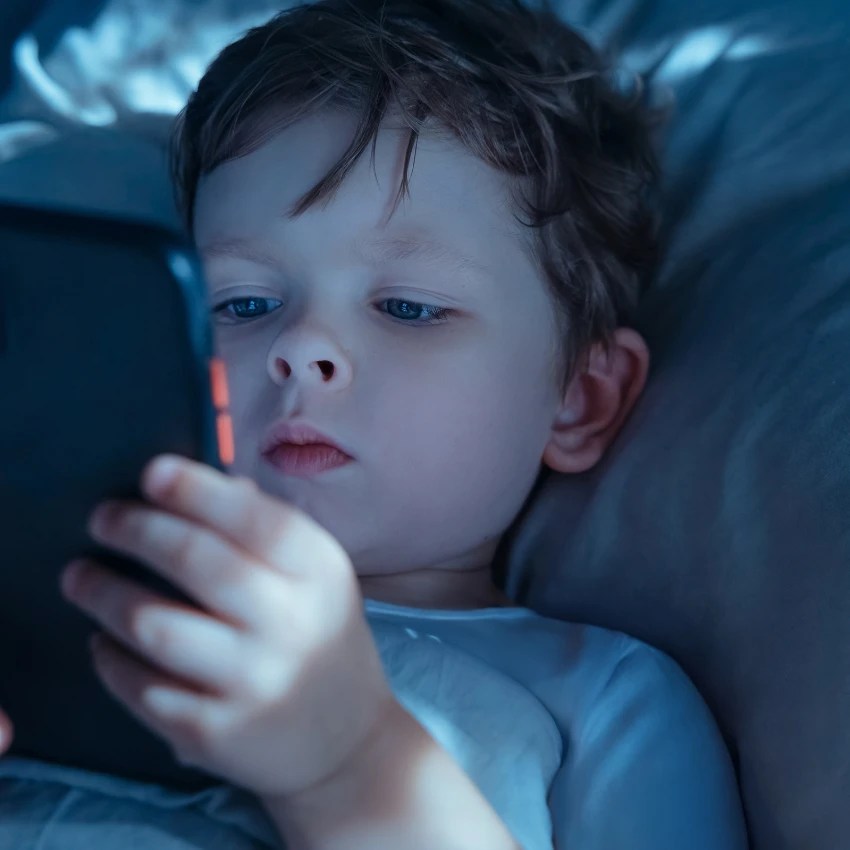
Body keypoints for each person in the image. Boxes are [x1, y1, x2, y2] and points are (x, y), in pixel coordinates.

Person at [0, 0, 749, 847]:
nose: (301, 347)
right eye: (243, 303)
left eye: (408, 307)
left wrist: (349, 765)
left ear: (578, 398)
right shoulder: (66, 613)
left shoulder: (600, 697)